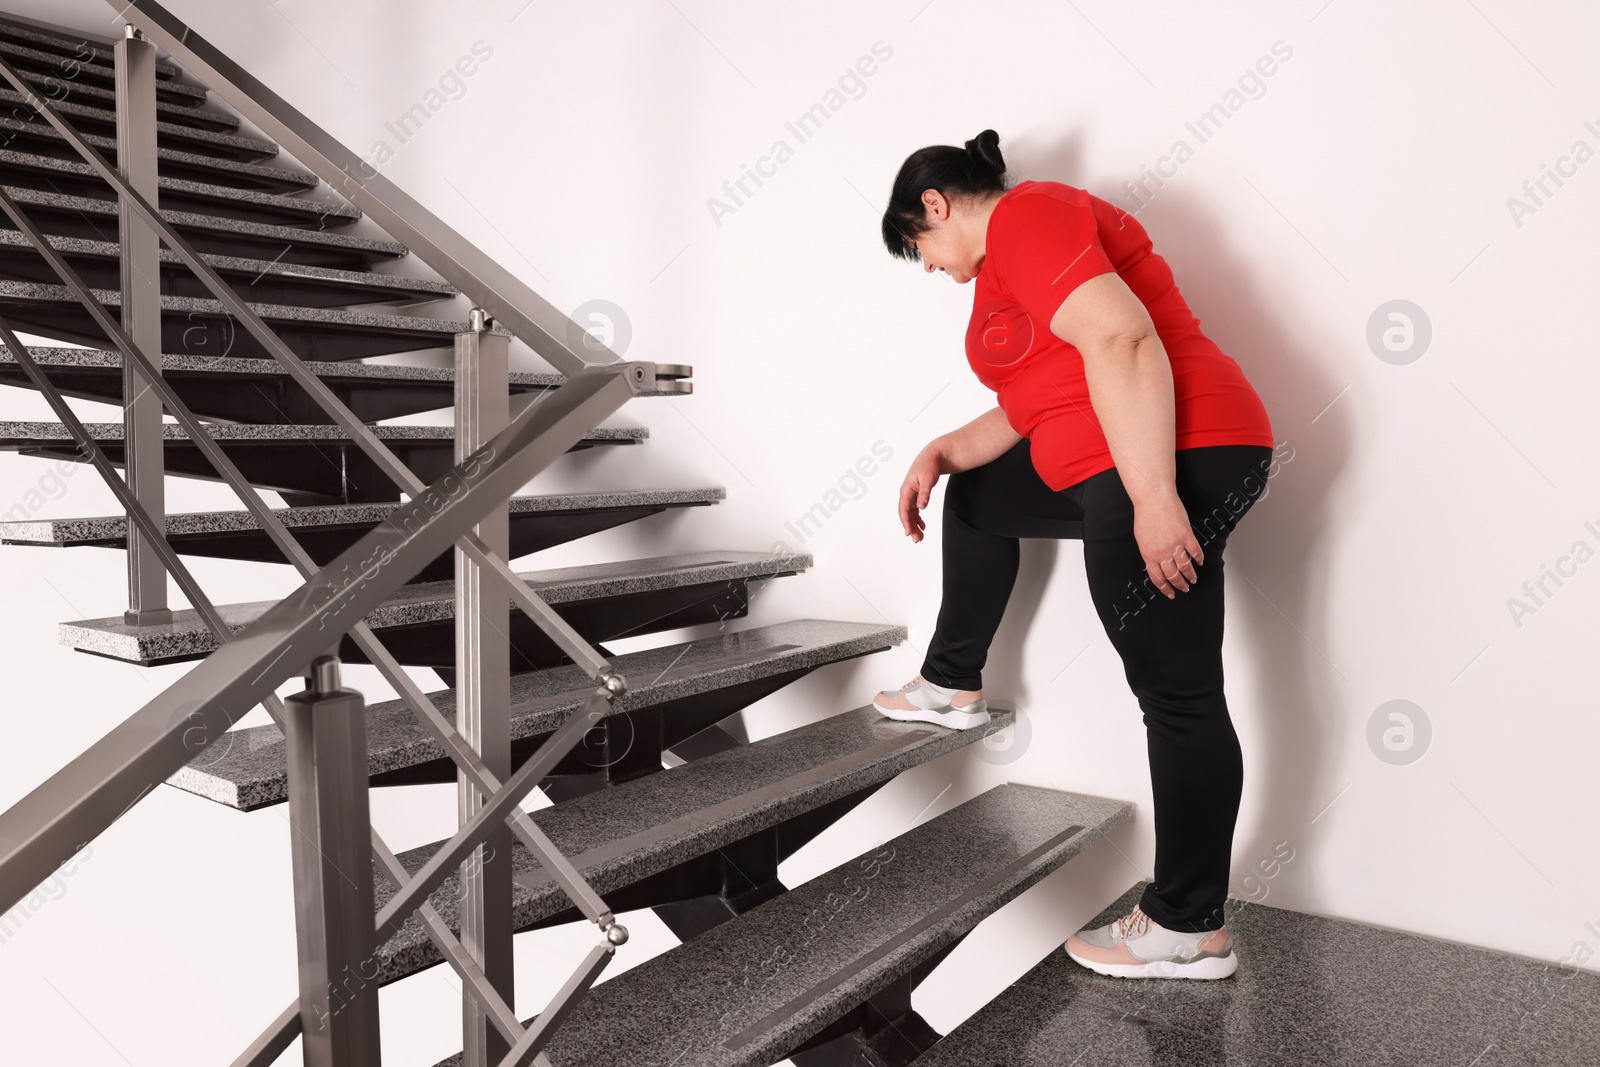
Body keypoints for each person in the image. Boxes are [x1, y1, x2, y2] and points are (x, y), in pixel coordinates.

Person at [872, 129, 1279, 980]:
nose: (933, 269)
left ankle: (1188, 924)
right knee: (981, 498)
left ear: (936, 206)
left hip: (1177, 453)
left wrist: (1154, 497)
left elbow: (1124, 342)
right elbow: (1036, 406)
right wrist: (944, 448)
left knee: (1175, 693)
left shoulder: (1028, 216)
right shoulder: (1010, 270)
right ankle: (951, 681)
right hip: (1118, 459)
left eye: (921, 249)